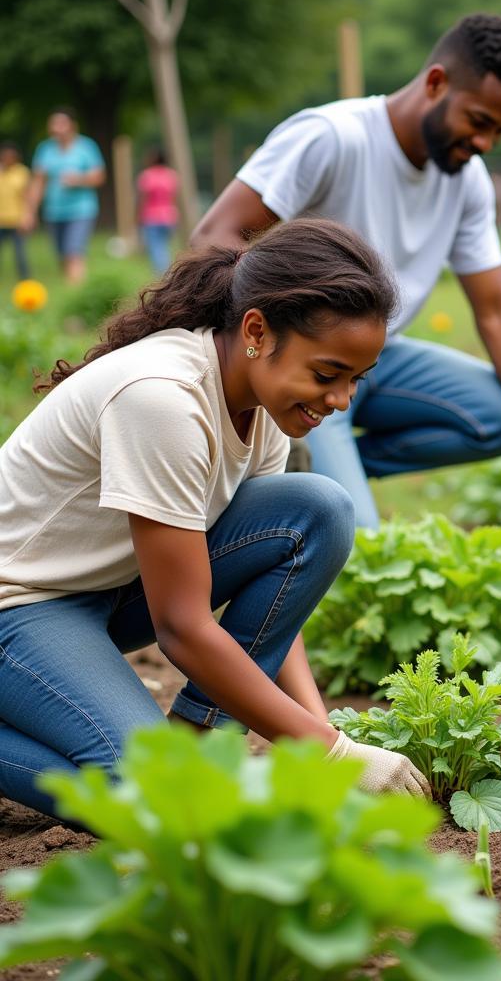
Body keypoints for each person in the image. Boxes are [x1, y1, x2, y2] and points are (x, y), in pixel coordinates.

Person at [0, 219, 430, 822]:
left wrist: (320, 734)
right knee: (158, 800)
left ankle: (193, 738)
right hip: (20, 606)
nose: (340, 400)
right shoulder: (164, 399)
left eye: (356, 379)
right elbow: (182, 625)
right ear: (256, 330)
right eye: (328, 374)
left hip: (105, 593)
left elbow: (277, 603)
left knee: (319, 511)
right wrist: (332, 754)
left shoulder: (259, 403)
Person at [192, 14, 501, 529]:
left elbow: (496, 310)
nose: (487, 142)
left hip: (376, 361)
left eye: (500, 131)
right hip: (306, 361)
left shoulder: (468, 181)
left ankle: (338, 468)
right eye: (480, 120)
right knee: (355, 539)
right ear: (437, 82)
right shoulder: (333, 138)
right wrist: (271, 401)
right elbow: (215, 237)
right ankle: (304, 474)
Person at [23, 108, 106, 284]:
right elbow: (38, 182)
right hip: (54, 211)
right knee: (62, 256)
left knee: (73, 252)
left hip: (81, 209)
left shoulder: (86, 147)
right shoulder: (45, 149)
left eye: (61, 123)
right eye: (53, 123)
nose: (56, 128)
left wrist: (79, 179)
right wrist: (29, 212)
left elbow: (99, 176)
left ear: (72, 126)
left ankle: (76, 300)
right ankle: (70, 289)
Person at [137, 147, 179, 274]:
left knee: (156, 247)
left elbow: (143, 198)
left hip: (152, 217)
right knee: (165, 246)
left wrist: (138, 216)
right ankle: (168, 272)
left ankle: (162, 274)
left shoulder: (147, 175)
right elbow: (173, 197)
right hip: (170, 216)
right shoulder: (172, 175)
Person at [0, 142, 31, 281]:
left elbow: (27, 196)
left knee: (20, 253)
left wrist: (27, 216)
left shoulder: (22, 172)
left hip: (17, 220)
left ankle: (25, 280)